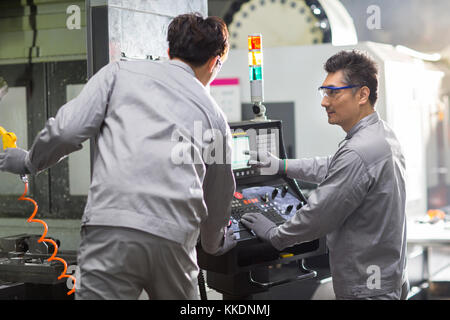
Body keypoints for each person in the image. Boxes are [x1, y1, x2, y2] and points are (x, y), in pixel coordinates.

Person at [0, 13, 236, 299]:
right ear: (215, 62)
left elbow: (65, 132)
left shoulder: (119, 73)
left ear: (169, 51)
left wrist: (29, 161)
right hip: (174, 237)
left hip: (110, 228)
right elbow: (220, 194)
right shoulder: (216, 118)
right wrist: (214, 243)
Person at [241, 50, 409, 300]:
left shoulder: (358, 151)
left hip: (367, 290)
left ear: (362, 94)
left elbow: (318, 215)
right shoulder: (380, 134)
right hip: (388, 278)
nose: (324, 101)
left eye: (333, 92)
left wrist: (274, 235)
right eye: (324, 92)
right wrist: (283, 166)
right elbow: (334, 166)